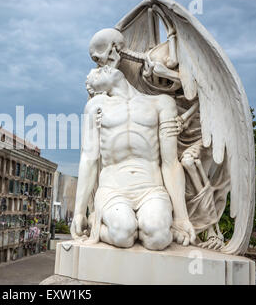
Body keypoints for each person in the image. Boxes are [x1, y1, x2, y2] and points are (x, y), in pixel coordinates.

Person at [71, 65, 195, 250]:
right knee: (123, 234)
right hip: (113, 189)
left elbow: (170, 163)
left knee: (158, 237)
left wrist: (181, 217)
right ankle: (97, 225)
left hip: (151, 189)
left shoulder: (162, 103)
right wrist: (79, 211)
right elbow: (89, 159)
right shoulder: (96, 107)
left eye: (101, 68)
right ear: (95, 89)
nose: (101, 68)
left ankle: (152, 228)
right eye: (95, 74)